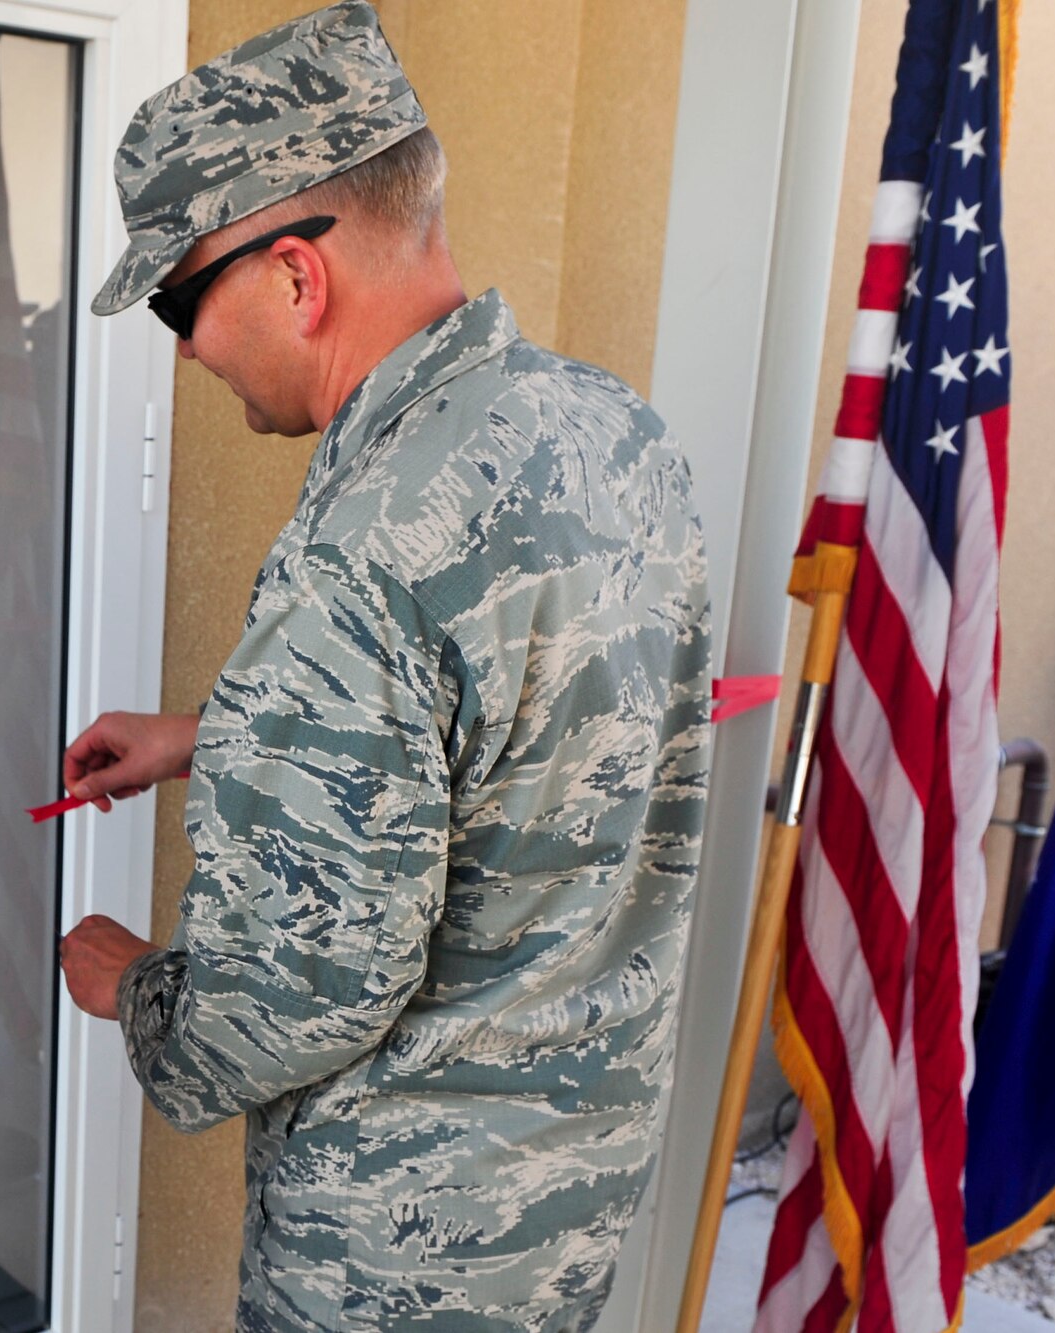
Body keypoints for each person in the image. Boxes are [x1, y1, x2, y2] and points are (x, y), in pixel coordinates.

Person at [55, 4, 713, 1330]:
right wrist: (220, 730)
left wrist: (130, 983)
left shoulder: (358, 553)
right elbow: (528, 727)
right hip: (565, 1211)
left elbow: (292, 996)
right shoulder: (611, 432)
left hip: (394, 1263)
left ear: (297, 275)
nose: (183, 347)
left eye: (182, 298)